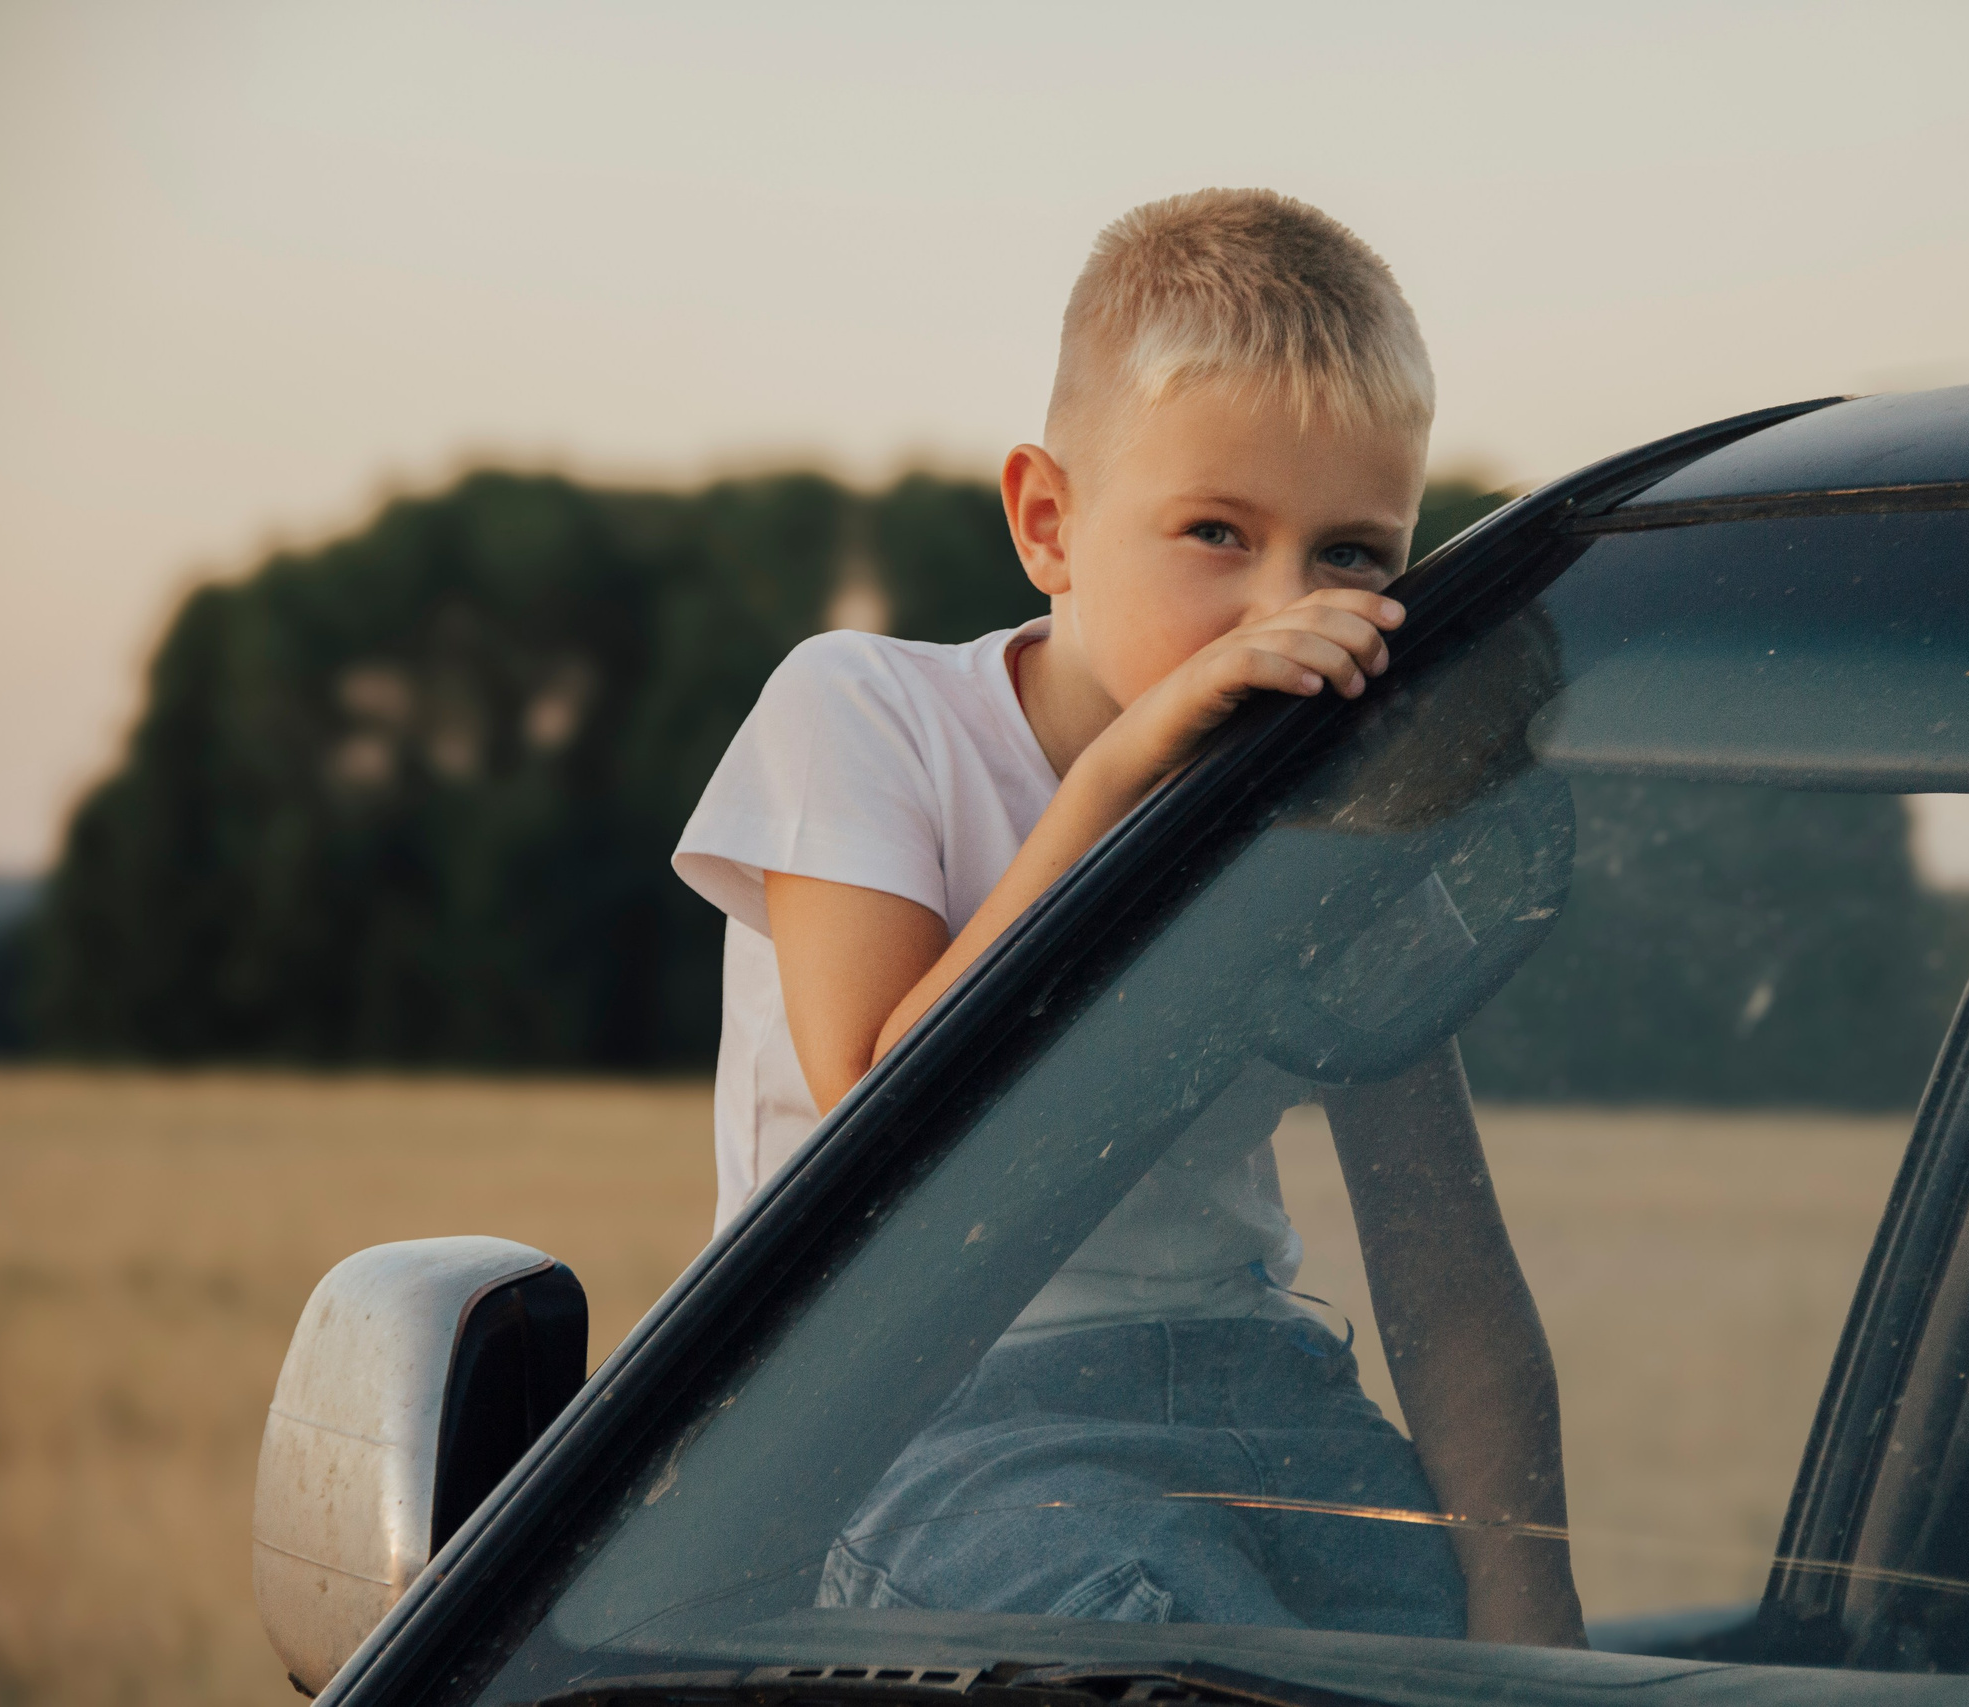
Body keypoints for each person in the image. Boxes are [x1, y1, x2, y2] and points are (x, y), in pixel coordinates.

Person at [673, 189, 1582, 1646]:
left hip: (1265, 1392)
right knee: (1164, 1635)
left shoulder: (1333, 820)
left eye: (1353, 555)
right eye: (1217, 531)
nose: (1282, 607)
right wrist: (1123, 775)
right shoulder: (861, 713)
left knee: (1414, 1647)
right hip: (923, 1419)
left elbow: (1445, 1267)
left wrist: (1529, 1610)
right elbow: (882, 1113)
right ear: (1050, 523)